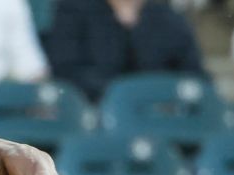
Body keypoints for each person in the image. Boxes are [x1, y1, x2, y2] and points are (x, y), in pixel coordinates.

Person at [48, 0, 205, 102]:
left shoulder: (169, 18)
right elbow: (66, 71)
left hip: (160, 116)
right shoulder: (73, 10)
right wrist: (126, 95)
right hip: (95, 111)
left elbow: (195, 76)